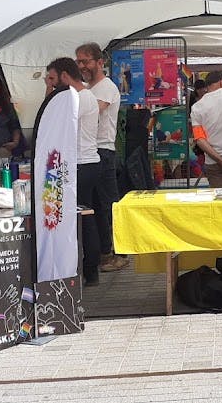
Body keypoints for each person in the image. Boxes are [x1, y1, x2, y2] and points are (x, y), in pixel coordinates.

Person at [50, 57, 103, 286]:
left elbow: (53, 124)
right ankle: (91, 270)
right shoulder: (86, 96)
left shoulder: (77, 99)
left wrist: (48, 93)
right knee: (87, 217)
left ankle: (89, 270)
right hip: (87, 162)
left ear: (64, 75)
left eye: (52, 79)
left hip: (81, 164)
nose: (50, 84)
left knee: (83, 219)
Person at [76, 42, 128, 273]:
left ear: (100, 62)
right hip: (88, 152)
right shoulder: (87, 89)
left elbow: (88, 112)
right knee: (94, 206)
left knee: (107, 204)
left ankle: (117, 252)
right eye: (78, 61)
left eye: (85, 61)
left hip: (103, 151)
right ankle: (103, 253)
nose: (82, 66)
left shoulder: (106, 86)